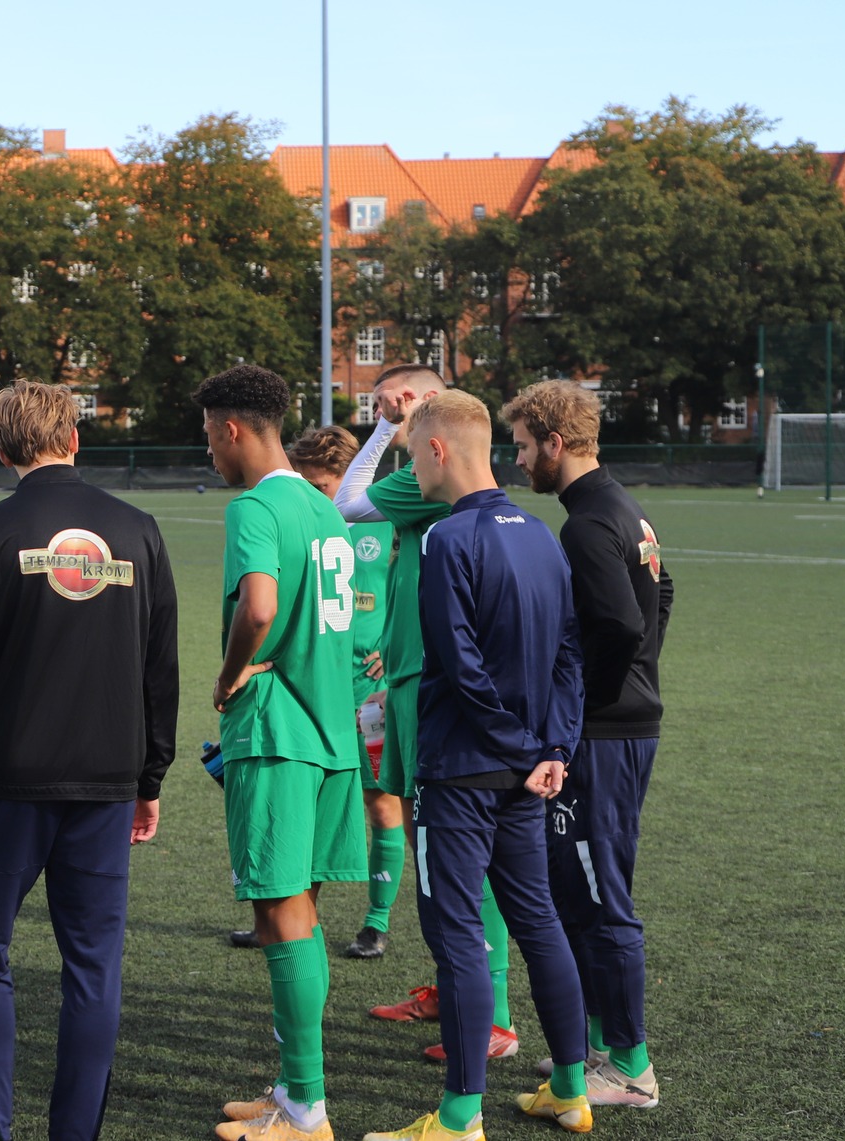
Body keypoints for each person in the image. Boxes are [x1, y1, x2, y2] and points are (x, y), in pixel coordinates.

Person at [0, 379, 178, 1141]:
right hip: (107, 781)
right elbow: (160, 666)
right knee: (93, 966)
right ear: (74, 439)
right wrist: (150, 776)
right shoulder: (138, 528)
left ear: (2, 449)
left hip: (2, 782)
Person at [362, 391, 590, 1141]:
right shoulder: (542, 534)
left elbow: (459, 664)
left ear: (436, 450)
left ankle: (459, 1118)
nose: (411, 472)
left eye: (411, 455)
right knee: (538, 921)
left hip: (461, 772)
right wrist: (553, 749)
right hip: (527, 774)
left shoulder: (447, 537)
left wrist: (529, 748)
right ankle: (570, 1089)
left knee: (457, 934)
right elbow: (570, 658)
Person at [199, 366, 364, 1141]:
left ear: (232, 428)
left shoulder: (255, 506)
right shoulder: (325, 508)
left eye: (209, 435)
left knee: (280, 912)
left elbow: (259, 606)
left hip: (278, 732)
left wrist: (229, 675)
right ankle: (296, 1088)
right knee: (302, 913)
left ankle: (305, 1111)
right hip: (332, 733)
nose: (209, 450)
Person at [337, 368, 519, 1057]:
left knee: (459, 851)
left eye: (404, 405)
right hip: (413, 677)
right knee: (438, 848)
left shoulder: (428, 482)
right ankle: (459, 987)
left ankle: (492, 1013)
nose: (395, 417)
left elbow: (348, 502)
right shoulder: (455, 488)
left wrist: (388, 427)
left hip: (431, 683)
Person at [503, 380, 672, 1110]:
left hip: (604, 735)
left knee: (602, 895)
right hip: (621, 724)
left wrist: (583, 709)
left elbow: (623, 625)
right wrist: (638, 675)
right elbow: (664, 594)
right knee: (578, 888)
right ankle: (601, 1045)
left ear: (555, 442)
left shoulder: (588, 524)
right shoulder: (621, 507)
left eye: (522, 446)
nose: (518, 460)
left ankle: (631, 1066)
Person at [289, 426, 396, 958]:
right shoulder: (303, 522)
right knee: (305, 802)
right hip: (316, 685)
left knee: (380, 803)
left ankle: (376, 923)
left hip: (371, 690)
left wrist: (395, 651)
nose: (315, 495)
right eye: (305, 484)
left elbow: (420, 589)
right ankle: (291, 916)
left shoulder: (388, 520)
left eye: (322, 485)